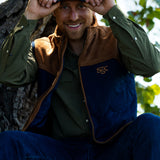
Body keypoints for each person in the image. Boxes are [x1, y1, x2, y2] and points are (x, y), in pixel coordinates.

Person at [0, 0, 160, 159]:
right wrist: (30, 15)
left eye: (81, 6)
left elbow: (150, 66)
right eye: (64, 7)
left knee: (151, 124)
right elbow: (7, 74)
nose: (73, 16)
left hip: (114, 148)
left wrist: (112, 10)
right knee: (9, 142)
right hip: (62, 151)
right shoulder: (43, 50)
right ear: (54, 11)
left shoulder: (115, 40)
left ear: (93, 8)